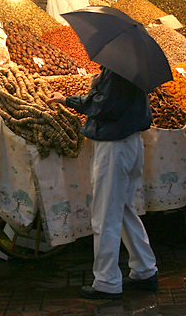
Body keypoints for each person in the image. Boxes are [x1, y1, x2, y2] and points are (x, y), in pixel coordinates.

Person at [46, 67, 158, 300]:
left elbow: (104, 105)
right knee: (124, 208)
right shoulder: (132, 68)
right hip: (131, 142)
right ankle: (145, 269)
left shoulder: (117, 71)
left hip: (114, 144)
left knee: (105, 214)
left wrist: (72, 99)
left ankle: (107, 281)